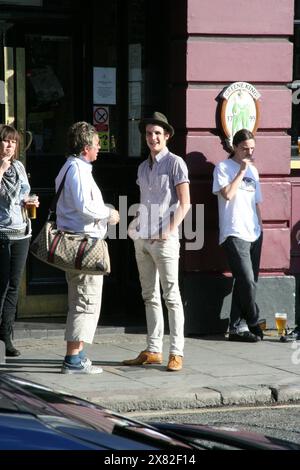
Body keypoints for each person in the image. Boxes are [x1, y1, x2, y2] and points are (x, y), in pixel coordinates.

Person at [124, 112, 190, 371]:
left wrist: (168, 230)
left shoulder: (176, 164)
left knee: (171, 296)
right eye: (149, 133)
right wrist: (134, 225)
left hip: (164, 239)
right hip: (142, 238)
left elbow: (185, 203)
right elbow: (144, 201)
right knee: (149, 295)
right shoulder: (143, 167)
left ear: (167, 136)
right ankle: (153, 350)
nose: (153, 138)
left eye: (157, 134)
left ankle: (177, 352)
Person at [55, 121, 119, 374]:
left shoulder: (72, 167)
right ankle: (72, 359)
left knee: (81, 298)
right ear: (84, 148)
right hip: (84, 243)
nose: (99, 149)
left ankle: (79, 354)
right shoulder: (78, 170)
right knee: (85, 300)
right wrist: (109, 213)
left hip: (79, 241)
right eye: (96, 145)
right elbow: (85, 206)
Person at [212, 128, 264, 342]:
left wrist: (261, 228)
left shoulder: (255, 171)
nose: (249, 153)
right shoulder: (223, 167)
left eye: (252, 149)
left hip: (254, 232)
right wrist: (241, 171)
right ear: (234, 147)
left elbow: (256, 203)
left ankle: (236, 327)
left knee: (244, 282)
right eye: (244, 149)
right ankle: (254, 319)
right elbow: (227, 194)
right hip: (234, 231)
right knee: (247, 280)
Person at [0, 124, 39, 356]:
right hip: (1, 233)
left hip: (21, 232)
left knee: (14, 286)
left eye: (13, 142)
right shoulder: (3, 167)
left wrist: (30, 202)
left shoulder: (20, 167)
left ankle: (6, 334)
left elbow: (23, 195)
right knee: (1, 287)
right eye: (5, 141)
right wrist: (1, 169)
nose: (9, 146)